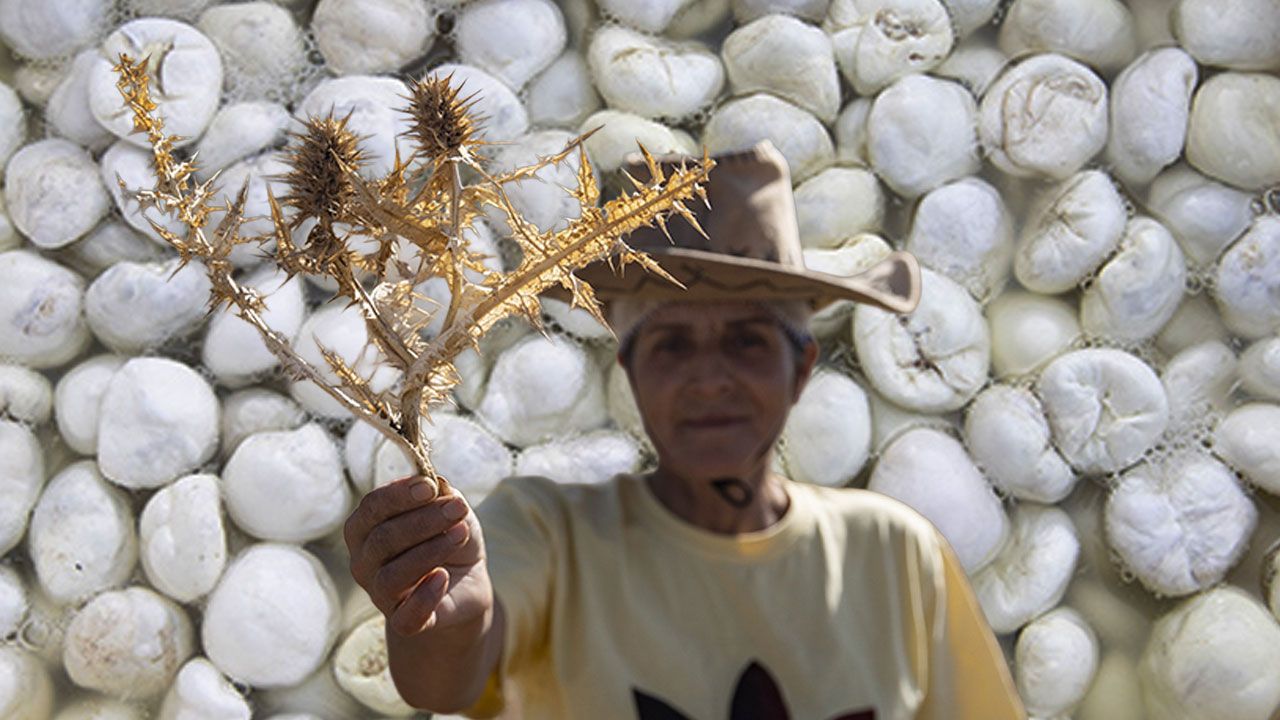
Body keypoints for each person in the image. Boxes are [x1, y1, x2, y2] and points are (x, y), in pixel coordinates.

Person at [343, 141, 1027, 719]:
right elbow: (451, 679)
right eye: (671, 345)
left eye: (748, 341)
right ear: (631, 373)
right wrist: (448, 622)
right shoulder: (546, 533)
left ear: (802, 369)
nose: (709, 379)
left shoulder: (898, 555)